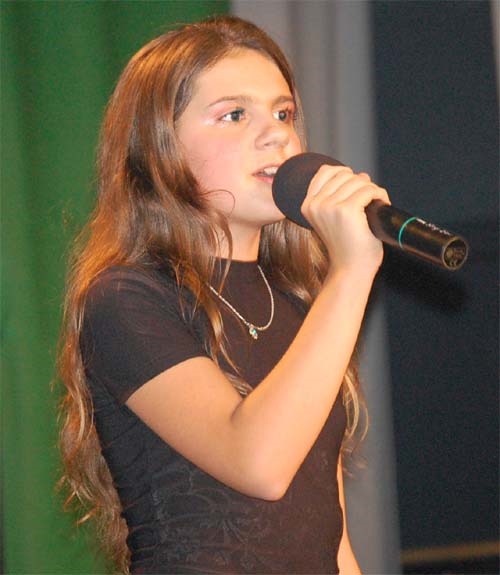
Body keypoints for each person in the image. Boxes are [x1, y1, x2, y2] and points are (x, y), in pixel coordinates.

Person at [58, 14, 389, 575]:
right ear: (160, 147)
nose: (277, 135)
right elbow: (258, 462)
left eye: (283, 113)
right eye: (234, 114)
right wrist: (352, 270)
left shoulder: (300, 299)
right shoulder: (125, 299)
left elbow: (328, 535)